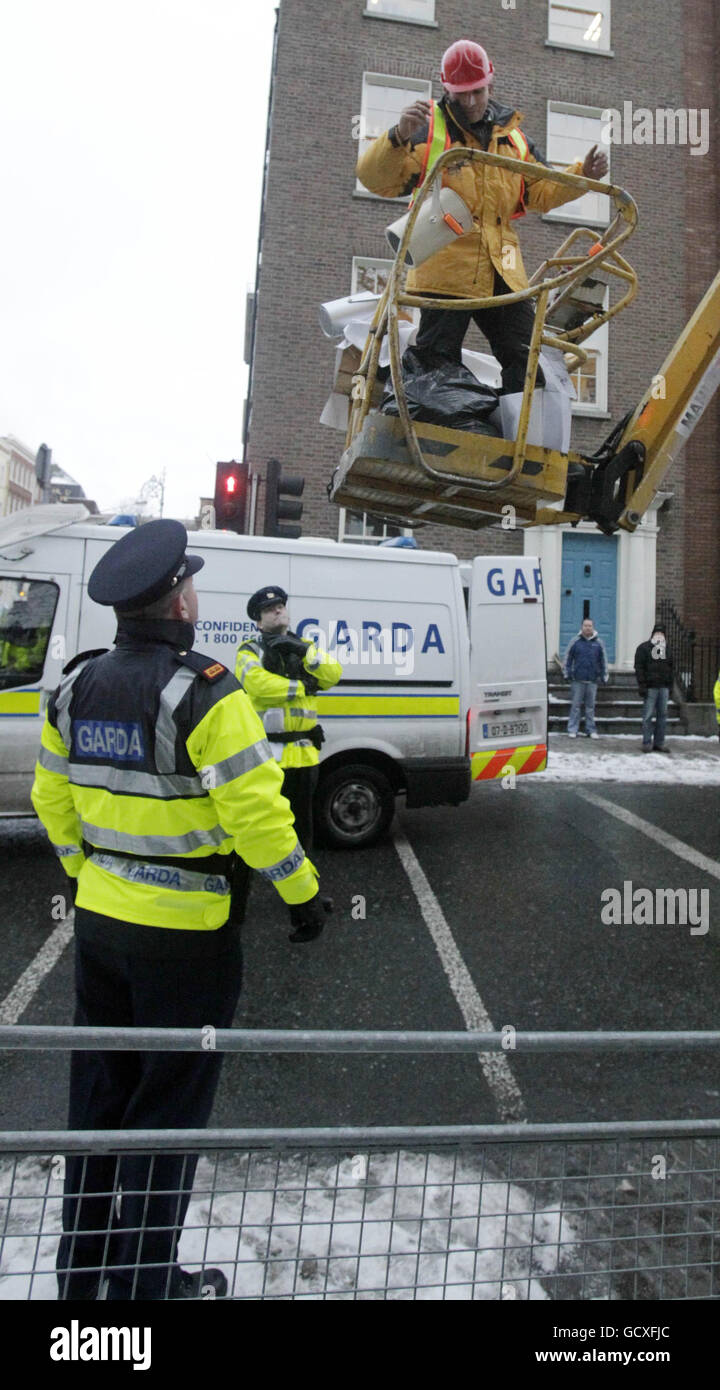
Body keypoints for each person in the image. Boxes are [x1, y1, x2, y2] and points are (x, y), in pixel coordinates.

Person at [31, 520, 326, 1302]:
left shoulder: (74, 685)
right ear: (179, 602)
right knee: (166, 1116)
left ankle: (80, 1279)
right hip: (189, 943)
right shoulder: (206, 692)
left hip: (99, 930)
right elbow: (258, 818)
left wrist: (85, 873)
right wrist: (304, 898)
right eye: (190, 586)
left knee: (96, 1103)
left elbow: (49, 800)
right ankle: (146, 1285)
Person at [355, 37, 609, 394]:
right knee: (434, 365)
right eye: (462, 94)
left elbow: (541, 191)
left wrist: (584, 175)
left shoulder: (515, 140)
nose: (471, 102)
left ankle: (514, 436)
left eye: (477, 91)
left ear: (490, 83)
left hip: (501, 270)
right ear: (447, 90)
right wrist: (397, 137)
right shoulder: (428, 129)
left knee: (526, 362)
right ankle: (441, 435)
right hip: (444, 270)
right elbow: (374, 179)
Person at [236, 587, 343, 853]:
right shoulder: (250, 650)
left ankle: (304, 891)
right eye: (269, 609)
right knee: (268, 825)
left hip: (305, 756)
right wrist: (302, 687)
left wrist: (304, 650)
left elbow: (333, 674)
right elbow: (258, 684)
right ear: (259, 622)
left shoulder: (304, 649)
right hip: (268, 754)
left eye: (281, 606)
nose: (277, 609)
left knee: (303, 827)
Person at [563, 617, 609, 738]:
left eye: (590, 626)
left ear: (593, 627)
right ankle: (572, 729)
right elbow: (567, 658)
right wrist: (567, 673)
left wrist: (604, 675)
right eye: (585, 625)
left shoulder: (599, 643)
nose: (587, 628)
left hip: (592, 680)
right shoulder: (575, 641)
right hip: (577, 680)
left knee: (590, 707)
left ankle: (591, 729)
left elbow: (603, 660)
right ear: (581, 627)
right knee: (575, 706)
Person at [634, 623, 674, 753]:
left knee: (662, 715)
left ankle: (659, 743)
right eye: (657, 633)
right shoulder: (643, 648)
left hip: (663, 687)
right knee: (648, 715)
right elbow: (639, 668)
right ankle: (647, 742)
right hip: (650, 687)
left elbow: (671, 668)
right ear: (652, 634)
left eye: (661, 634)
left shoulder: (667, 650)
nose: (659, 636)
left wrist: (670, 685)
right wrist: (642, 685)